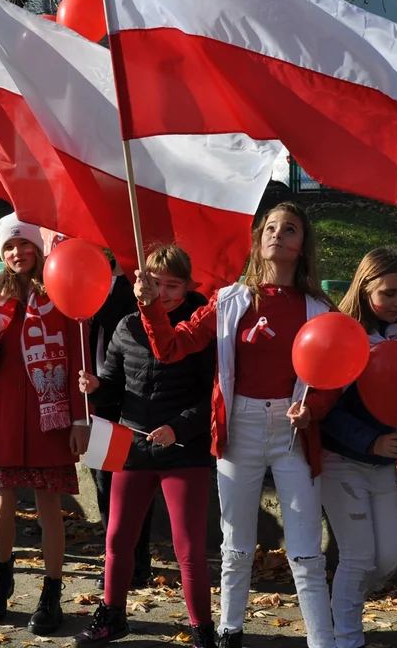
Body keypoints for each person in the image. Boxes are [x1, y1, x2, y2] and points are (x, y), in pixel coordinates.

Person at [136, 202, 337, 648]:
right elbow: (172, 347)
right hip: (239, 427)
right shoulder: (228, 300)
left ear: (303, 245)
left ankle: (323, 639)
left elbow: (337, 373)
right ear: (257, 238)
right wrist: (151, 308)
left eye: (289, 229)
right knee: (236, 542)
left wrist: (314, 407)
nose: (277, 234)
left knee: (305, 549)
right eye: (269, 227)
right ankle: (230, 630)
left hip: (293, 432)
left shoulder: (319, 307)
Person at [74, 245, 216, 648]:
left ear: (189, 287)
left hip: (183, 449)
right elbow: (114, 387)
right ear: (142, 283)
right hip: (132, 444)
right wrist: (97, 387)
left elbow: (213, 395)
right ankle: (112, 615)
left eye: (173, 285)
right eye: (156, 283)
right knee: (118, 537)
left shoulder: (200, 324)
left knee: (187, 546)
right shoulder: (126, 326)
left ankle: (202, 630)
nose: (165, 292)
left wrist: (179, 427)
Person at [0, 213, 90, 635]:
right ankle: (2, 578)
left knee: (48, 507)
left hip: (48, 415)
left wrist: (80, 418)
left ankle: (51, 592)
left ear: (38, 249)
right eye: (8, 248)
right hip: (4, 413)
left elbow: (77, 358)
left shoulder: (62, 294)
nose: (17, 253)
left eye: (24, 245)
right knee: (1, 501)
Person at [320, 248, 397, 648]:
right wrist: (371, 440)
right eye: (388, 294)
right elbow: (325, 412)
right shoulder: (343, 335)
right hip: (342, 464)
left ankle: (338, 613)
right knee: (358, 557)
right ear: (364, 287)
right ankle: (347, 637)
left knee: (387, 560)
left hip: (386, 469)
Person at [88, 260, 155, 590]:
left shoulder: (137, 279)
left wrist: (92, 296)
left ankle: (139, 562)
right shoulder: (86, 270)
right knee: (103, 481)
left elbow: (122, 322)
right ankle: (115, 558)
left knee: (133, 487)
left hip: (129, 401)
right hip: (99, 400)